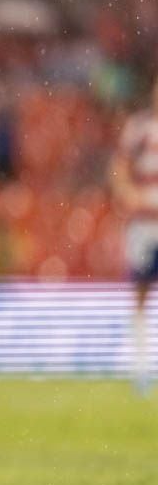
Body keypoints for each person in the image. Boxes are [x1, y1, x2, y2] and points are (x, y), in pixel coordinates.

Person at [109, 77, 158, 395]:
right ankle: (141, 369)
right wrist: (128, 194)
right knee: (140, 294)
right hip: (144, 226)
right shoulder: (140, 128)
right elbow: (120, 168)